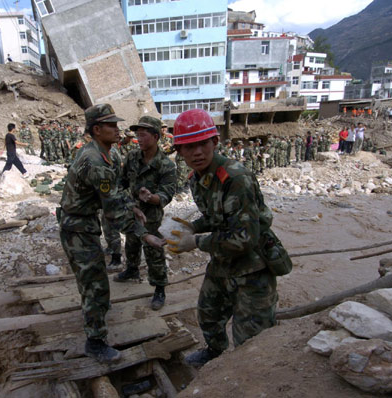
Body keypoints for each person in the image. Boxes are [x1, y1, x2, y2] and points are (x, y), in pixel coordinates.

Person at [166, 108, 278, 368]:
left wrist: (195, 242)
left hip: (253, 266)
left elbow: (245, 238)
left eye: (202, 144)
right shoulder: (198, 178)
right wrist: (194, 227)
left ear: (215, 142)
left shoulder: (236, 178)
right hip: (223, 263)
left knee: (252, 341)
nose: (196, 152)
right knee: (208, 314)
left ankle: (247, 377)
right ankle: (215, 355)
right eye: (188, 146)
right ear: (179, 152)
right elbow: (218, 217)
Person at [57, 103, 165, 363]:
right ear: (96, 129)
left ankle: (98, 312)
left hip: (85, 225)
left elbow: (116, 191)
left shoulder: (108, 154)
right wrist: (143, 234)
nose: (118, 130)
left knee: (96, 281)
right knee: (94, 284)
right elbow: (113, 209)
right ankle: (95, 342)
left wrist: (133, 206)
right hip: (77, 228)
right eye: (111, 125)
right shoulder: (95, 160)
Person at [114, 116, 177, 310]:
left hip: (151, 215)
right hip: (131, 209)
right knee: (131, 241)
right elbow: (122, 182)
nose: (139, 139)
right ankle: (132, 269)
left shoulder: (166, 165)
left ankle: (159, 288)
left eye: (143, 135)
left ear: (156, 137)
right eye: (137, 135)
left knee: (153, 249)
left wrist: (151, 197)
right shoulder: (132, 157)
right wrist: (129, 200)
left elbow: (166, 194)